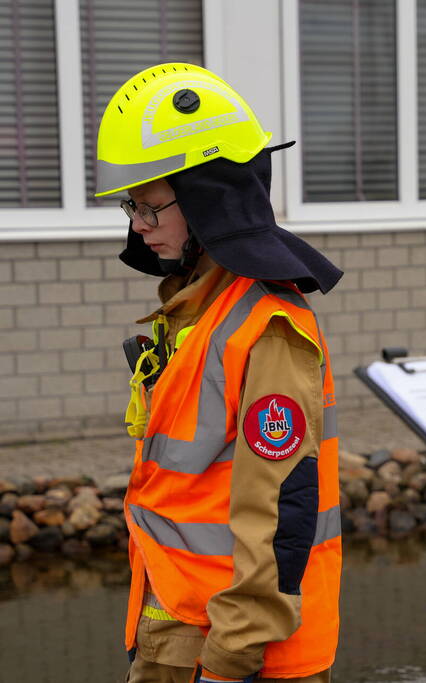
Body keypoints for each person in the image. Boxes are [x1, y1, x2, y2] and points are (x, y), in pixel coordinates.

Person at [95, 63, 343, 683]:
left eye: (151, 208)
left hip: (230, 649)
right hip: (177, 624)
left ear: (210, 198)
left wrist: (229, 664)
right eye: (132, 208)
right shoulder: (193, 312)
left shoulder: (267, 325)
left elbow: (284, 506)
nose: (138, 227)